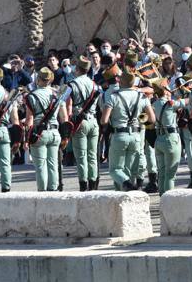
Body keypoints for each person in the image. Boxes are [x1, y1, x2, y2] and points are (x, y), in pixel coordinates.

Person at [100, 70, 154, 191]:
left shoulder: (114, 96)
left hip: (119, 134)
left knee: (115, 170)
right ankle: (129, 189)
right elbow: (152, 118)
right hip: (136, 135)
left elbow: (103, 120)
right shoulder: (141, 96)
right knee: (129, 169)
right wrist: (138, 119)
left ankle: (127, 185)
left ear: (120, 81)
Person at [62, 56, 101, 191]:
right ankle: (93, 185)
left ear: (77, 69)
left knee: (81, 156)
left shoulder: (72, 85)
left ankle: (84, 186)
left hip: (80, 122)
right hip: (93, 120)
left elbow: (67, 107)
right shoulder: (95, 85)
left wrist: (66, 127)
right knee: (92, 155)